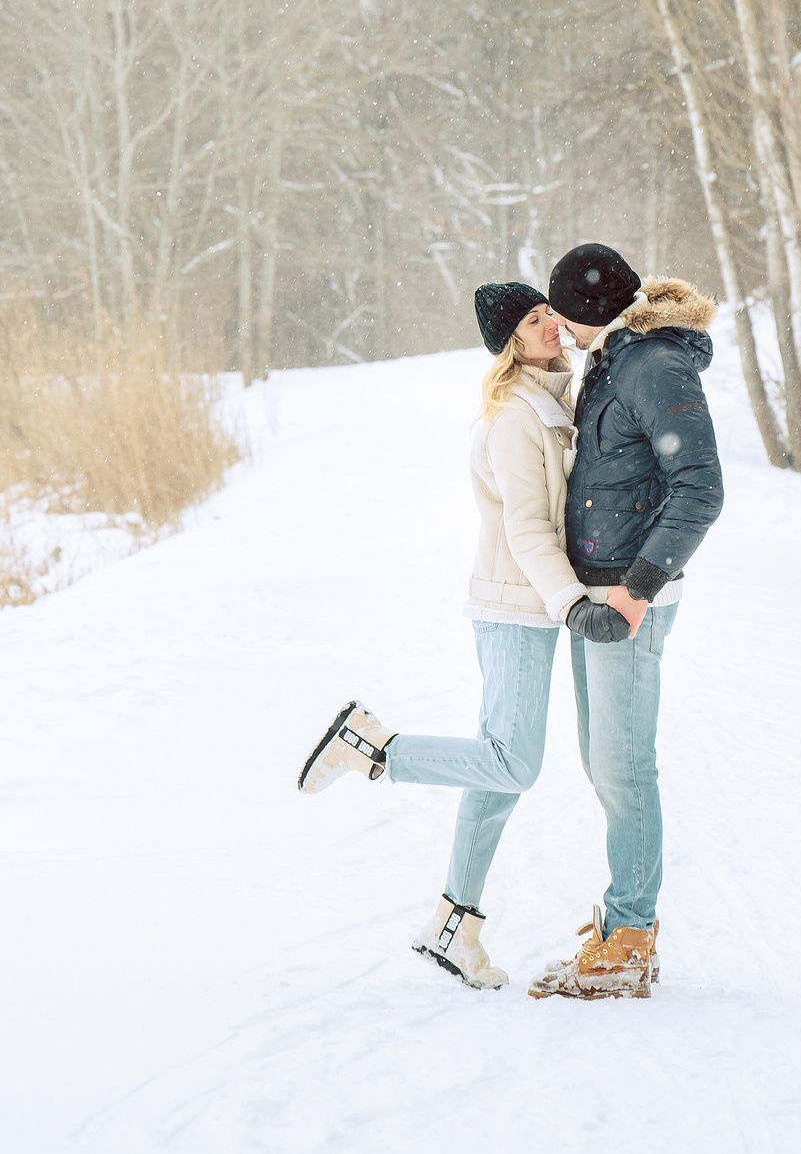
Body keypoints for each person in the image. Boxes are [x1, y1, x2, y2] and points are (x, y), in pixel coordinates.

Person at [295, 281, 637, 990]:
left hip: (526, 604)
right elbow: (527, 527)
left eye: (548, 312)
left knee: (495, 772)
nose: (548, 324)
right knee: (513, 764)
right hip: (517, 605)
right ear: (510, 342)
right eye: (532, 320)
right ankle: (372, 748)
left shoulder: (550, 404)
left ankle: (455, 928)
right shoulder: (515, 416)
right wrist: (572, 604)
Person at [521, 242, 723, 999]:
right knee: (605, 763)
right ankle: (618, 926)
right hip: (598, 592)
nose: (562, 332)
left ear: (588, 309)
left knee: (625, 767)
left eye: (564, 315)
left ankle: (631, 940)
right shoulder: (619, 357)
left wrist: (636, 592)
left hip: (626, 599)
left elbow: (700, 487)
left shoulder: (650, 364)